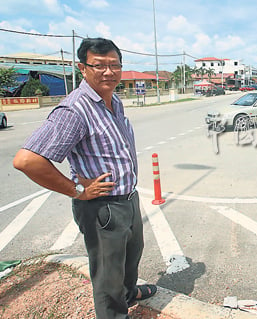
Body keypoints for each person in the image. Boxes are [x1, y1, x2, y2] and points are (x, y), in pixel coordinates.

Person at [13, 38, 157, 319]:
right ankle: (114, 313)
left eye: (114, 65)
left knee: (130, 256)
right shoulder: (75, 110)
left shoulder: (113, 100)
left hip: (128, 198)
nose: (108, 72)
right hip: (102, 207)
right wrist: (77, 189)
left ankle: (129, 293)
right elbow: (27, 160)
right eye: (99, 66)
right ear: (83, 68)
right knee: (107, 276)